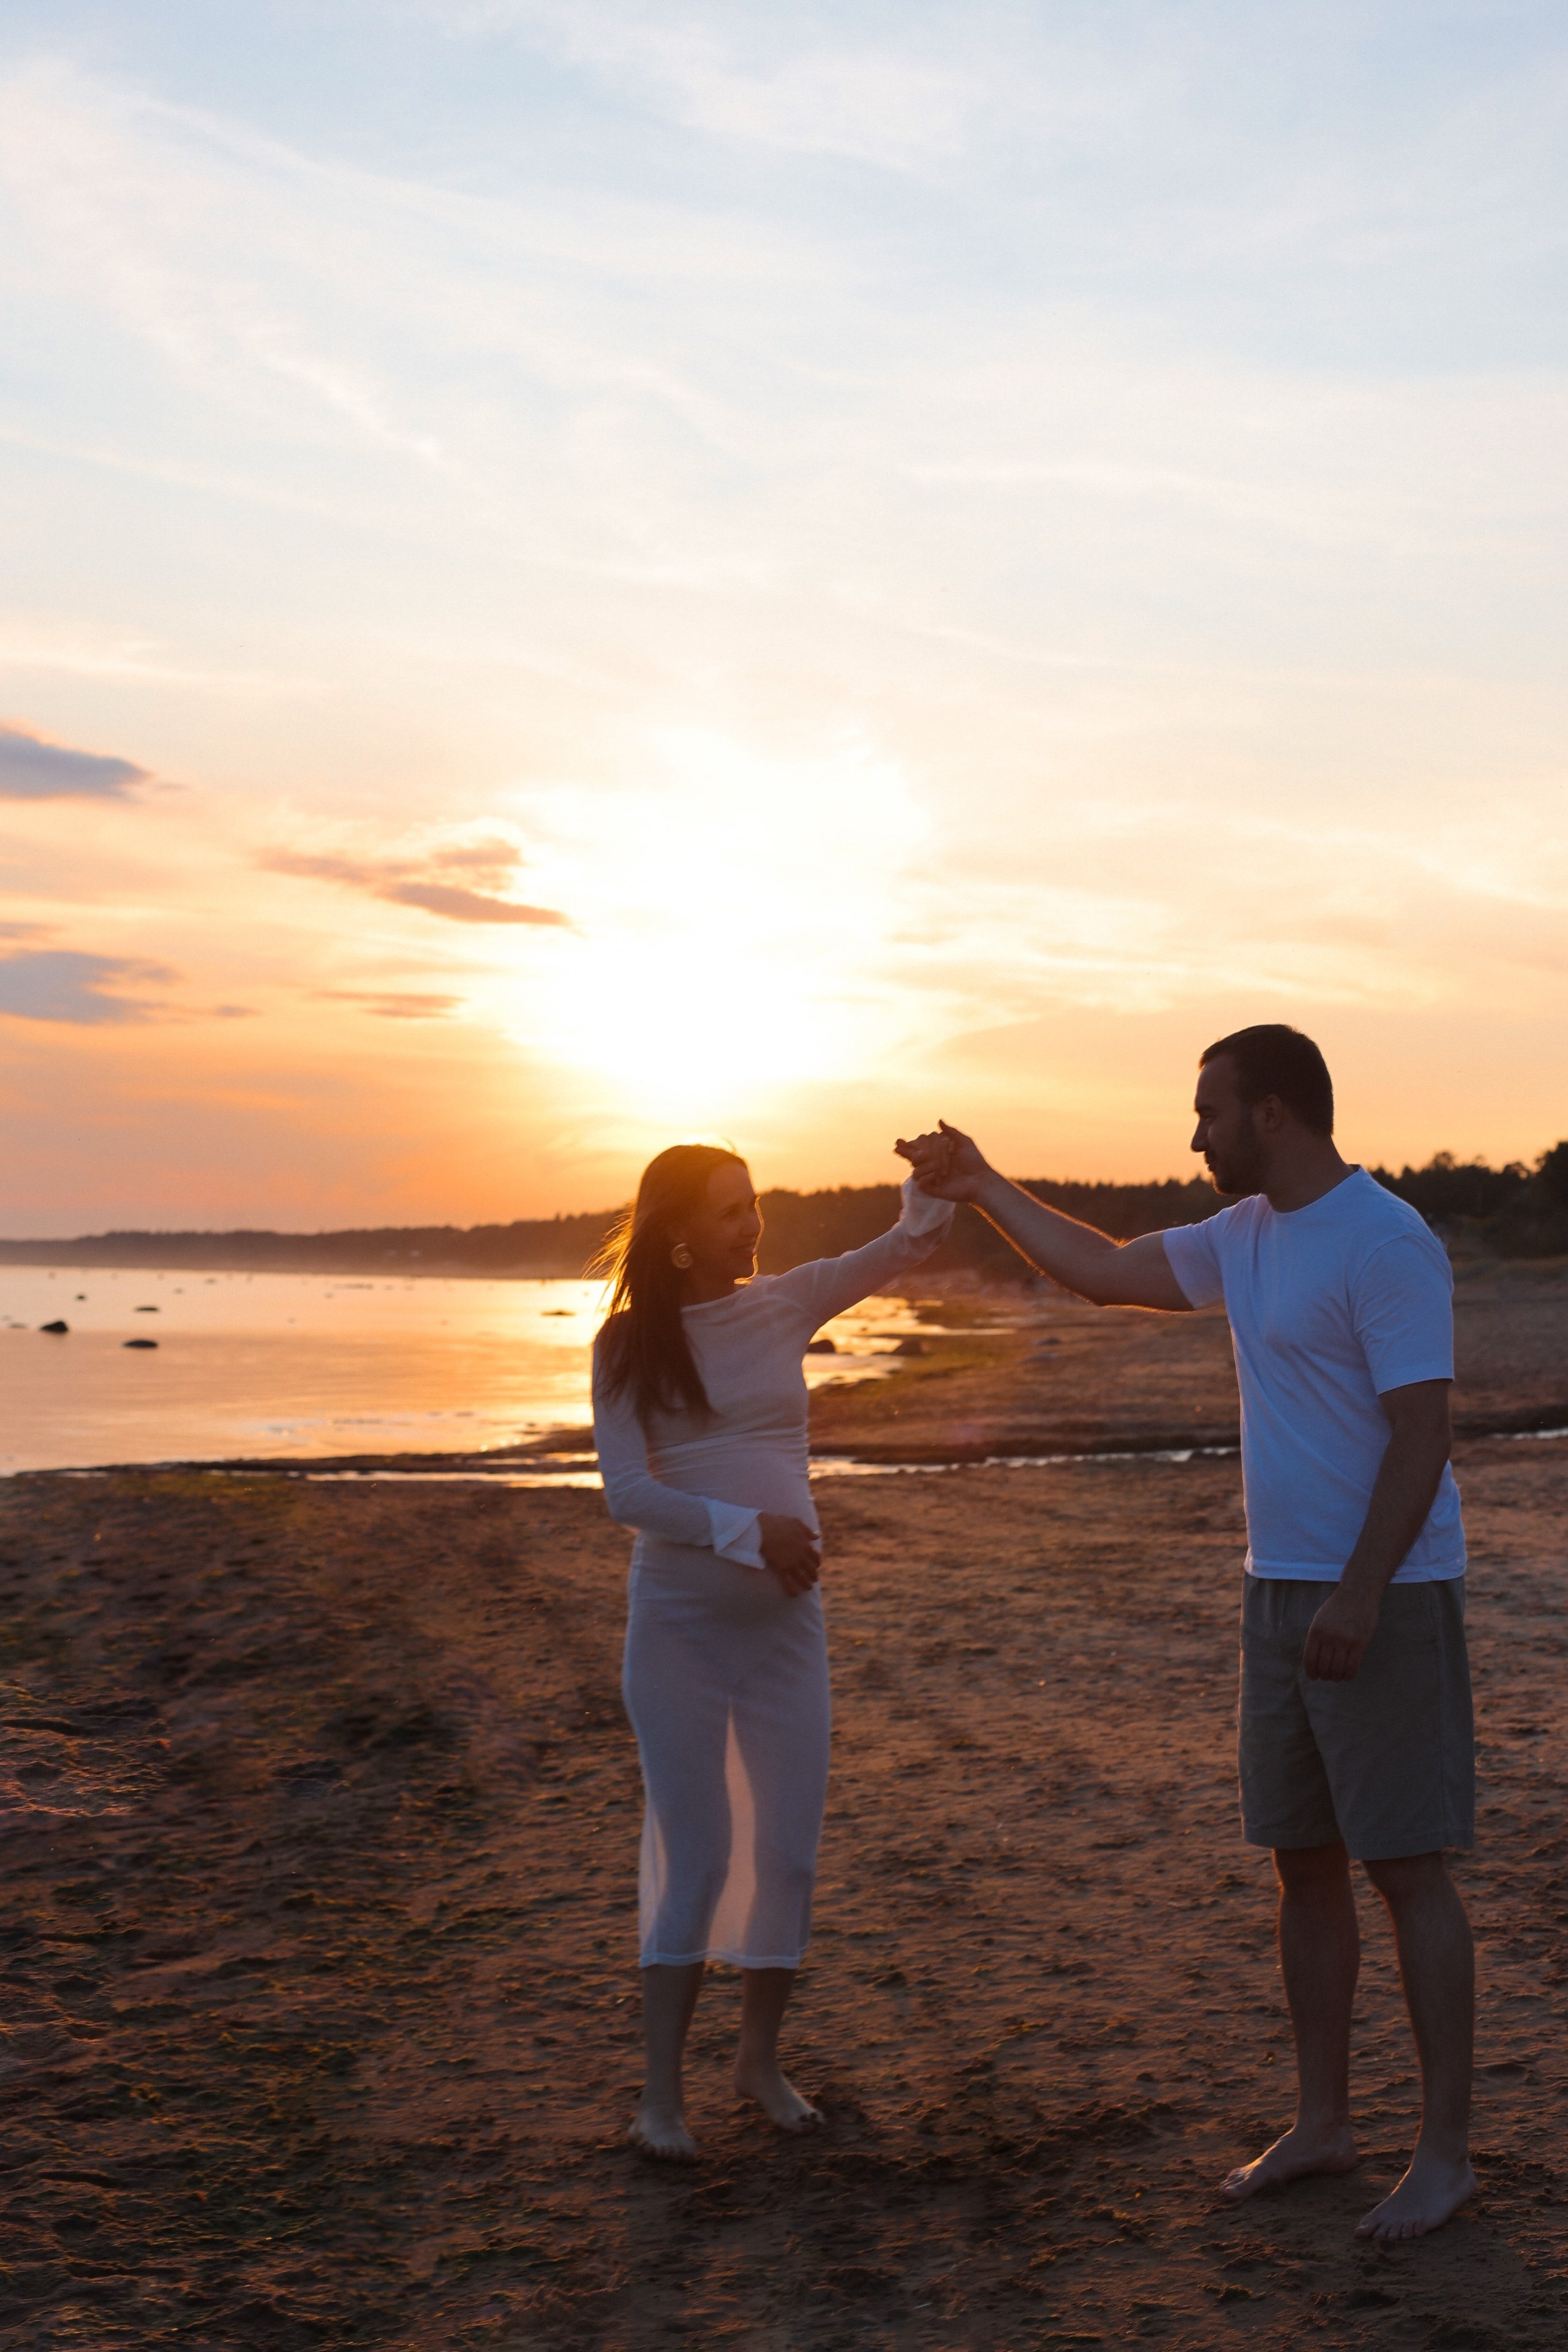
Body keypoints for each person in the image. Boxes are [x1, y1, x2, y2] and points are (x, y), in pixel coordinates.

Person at [897, 1025, 1476, 2243]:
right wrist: (983, 1181)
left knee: (1405, 1865)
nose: (1193, 1133)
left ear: (1271, 1112)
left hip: (1380, 1593)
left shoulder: (1384, 1241)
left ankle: (1442, 2155)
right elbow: (1099, 1270)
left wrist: (1361, 1590)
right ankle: (1322, 2125)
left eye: (1207, 1111)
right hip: (1278, 1590)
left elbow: (1421, 1435)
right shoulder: (1242, 1236)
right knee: (1301, 1862)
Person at [592, 1139, 954, 2160]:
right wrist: (753, 1533)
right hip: (679, 1633)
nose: (751, 1226)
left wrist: (935, 1182)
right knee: (699, 1857)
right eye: (727, 1212)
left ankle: (758, 2061)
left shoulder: (786, 1303)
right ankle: (660, 2099)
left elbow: (905, 1247)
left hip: (787, 1631)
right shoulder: (625, 1346)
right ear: (675, 1235)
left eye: (753, 1205)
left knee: (788, 1852)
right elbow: (629, 1494)